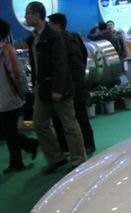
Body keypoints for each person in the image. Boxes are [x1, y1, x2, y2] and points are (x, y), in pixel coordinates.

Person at [25, 1, 86, 173]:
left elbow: (61, 64)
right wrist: (36, 84)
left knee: (69, 125)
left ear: (37, 15)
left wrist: (58, 89)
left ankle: (78, 159)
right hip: (42, 89)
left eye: (28, 14)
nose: (26, 17)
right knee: (39, 124)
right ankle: (56, 158)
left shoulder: (53, 36)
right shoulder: (33, 38)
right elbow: (36, 65)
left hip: (60, 89)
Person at [48, 13, 96, 155]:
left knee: (70, 118)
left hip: (68, 85)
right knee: (80, 116)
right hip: (77, 82)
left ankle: (72, 146)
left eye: (50, 23)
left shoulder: (57, 40)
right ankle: (86, 144)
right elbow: (84, 55)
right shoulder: (74, 37)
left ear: (56, 24)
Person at [0, 18, 38, 173]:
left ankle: (17, 161)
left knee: (9, 131)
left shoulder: (7, 50)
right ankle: (30, 145)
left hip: (10, 97)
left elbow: (18, 73)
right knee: (8, 131)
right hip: (5, 97)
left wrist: (22, 92)